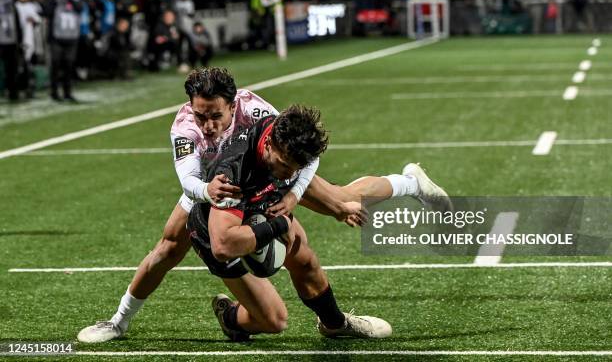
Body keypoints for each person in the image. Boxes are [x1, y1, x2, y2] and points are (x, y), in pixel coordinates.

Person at [77, 67, 450, 343]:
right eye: (199, 114)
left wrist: (292, 194)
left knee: (339, 202)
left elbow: (305, 153)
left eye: (215, 115)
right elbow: (188, 181)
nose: (206, 124)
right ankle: (118, 321)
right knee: (168, 247)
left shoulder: (258, 113)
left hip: (269, 173)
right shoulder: (185, 131)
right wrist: (209, 193)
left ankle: (410, 182)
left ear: (234, 104)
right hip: (216, 186)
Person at [187, 105, 392, 340]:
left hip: (258, 206)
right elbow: (223, 246)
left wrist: (338, 209)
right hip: (215, 231)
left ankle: (335, 324)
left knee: (304, 258)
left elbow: (302, 178)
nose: (288, 174)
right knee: (274, 320)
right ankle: (230, 318)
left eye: (295, 169)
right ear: (267, 145)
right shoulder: (232, 172)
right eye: (284, 165)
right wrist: (279, 226)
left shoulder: (284, 142)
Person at [46, 0, 81, 102]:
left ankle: (67, 92)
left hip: (71, 37)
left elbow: (79, 8)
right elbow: (47, 12)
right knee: (55, 65)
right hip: (57, 37)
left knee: (68, 65)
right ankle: (54, 91)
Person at [14, 0, 41, 98]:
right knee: (19, 66)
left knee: (29, 65)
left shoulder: (33, 6)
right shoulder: (14, 6)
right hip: (17, 40)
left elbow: (38, 20)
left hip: (30, 39)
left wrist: (33, 20)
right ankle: (18, 88)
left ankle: (30, 88)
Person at [0, 0, 22, 102]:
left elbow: (17, 20)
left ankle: (13, 93)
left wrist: (19, 37)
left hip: (11, 40)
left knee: (12, 69)